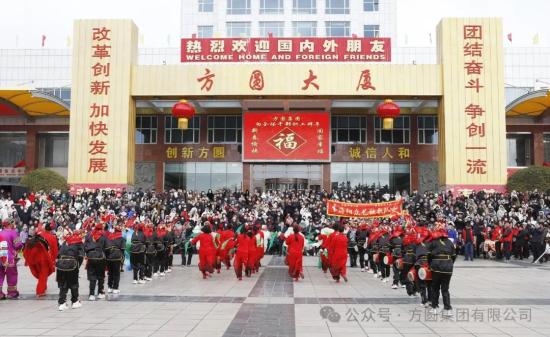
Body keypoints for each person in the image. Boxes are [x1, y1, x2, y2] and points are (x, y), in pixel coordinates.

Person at [428, 228, 456, 317]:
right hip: (448, 268)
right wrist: (449, 263)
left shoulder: (434, 242)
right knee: (445, 289)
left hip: (436, 267)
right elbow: (454, 256)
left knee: (435, 288)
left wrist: (430, 264)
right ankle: (448, 309)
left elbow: (429, 255)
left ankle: (434, 307)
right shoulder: (450, 242)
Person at [23, 229, 56, 297]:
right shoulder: (39, 243)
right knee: (43, 276)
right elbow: (46, 254)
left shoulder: (28, 244)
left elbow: (24, 254)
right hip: (43, 262)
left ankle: (43, 287)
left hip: (34, 263)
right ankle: (40, 291)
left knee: (41, 276)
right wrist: (51, 264)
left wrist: (27, 261)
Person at [57, 231, 84, 311]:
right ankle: (75, 301)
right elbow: (81, 256)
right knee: (74, 284)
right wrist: (78, 265)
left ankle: (62, 303)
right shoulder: (78, 243)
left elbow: (58, 255)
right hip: (73, 266)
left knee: (63, 284)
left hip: (61, 266)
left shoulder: (64, 243)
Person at [0, 220, 23, 299]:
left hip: (0, 258)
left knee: (0, 275)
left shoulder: (0, 232)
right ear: (10, 224)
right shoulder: (13, 232)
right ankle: (11, 293)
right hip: (10, 258)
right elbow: (18, 245)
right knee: (12, 275)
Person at [84, 223, 107, 301]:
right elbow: (106, 247)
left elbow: (85, 246)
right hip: (100, 258)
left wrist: (88, 254)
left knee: (92, 276)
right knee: (100, 276)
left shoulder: (89, 235)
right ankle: (100, 292)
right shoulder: (103, 235)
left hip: (91, 258)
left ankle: (91, 294)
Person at [105, 223, 125, 294]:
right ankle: (115, 288)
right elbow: (122, 249)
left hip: (109, 256)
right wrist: (122, 259)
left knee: (110, 273)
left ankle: (110, 287)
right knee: (116, 273)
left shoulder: (109, 237)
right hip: (116, 256)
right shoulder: (121, 238)